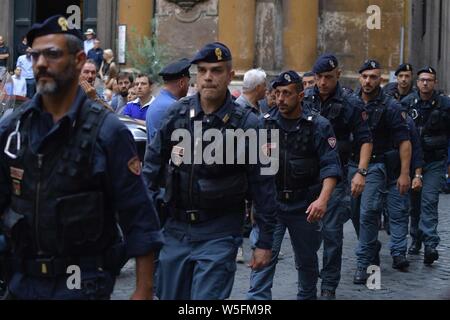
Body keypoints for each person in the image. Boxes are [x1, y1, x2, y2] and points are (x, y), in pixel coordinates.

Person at [0, 15, 163, 300]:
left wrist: (144, 289)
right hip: (22, 281)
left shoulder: (108, 132)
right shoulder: (13, 127)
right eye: (35, 55)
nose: (40, 63)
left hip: (80, 284)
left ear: (78, 60)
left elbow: (138, 214)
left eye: (52, 54)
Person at [142, 42, 277, 300]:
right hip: (175, 230)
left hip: (219, 232)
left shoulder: (251, 124)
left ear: (230, 75)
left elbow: (264, 185)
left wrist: (265, 242)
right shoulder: (176, 115)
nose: (208, 77)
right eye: (202, 70)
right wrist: (144, 226)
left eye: (216, 70)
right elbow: (150, 171)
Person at [249, 70, 341, 300]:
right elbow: (253, 169)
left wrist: (322, 199)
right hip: (272, 207)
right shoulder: (264, 125)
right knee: (262, 263)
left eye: (287, 93)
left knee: (307, 262)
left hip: (305, 207)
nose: (280, 99)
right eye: (277, 93)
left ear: (300, 95)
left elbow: (331, 166)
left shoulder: (319, 126)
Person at [302, 54, 373, 299]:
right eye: (318, 77)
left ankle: (329, 284)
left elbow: (365, 140)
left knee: (332, 231)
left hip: (335, 175)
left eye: (328, 77)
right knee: (308, 233)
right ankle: (309, 279)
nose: (322, 82)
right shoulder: (305, 98)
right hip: (306, 176)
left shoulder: (351, 103)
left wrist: (361, 173)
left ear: (338, 76)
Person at [352, 60, 412, 284]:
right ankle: (370, 247)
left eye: (373, 77)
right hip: (351, 165)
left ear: (381, 80)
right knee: (354, 214)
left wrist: (405, 173)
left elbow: (405, 142)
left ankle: (363, 263)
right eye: (365, 76)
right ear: (360, 78)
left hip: (377, 166)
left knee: (369, 214)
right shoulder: (351, 102)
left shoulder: (391, 107)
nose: (368, 81)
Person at [402, 67, 450, 264]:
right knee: (414, 204)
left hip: (434, 161)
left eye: (429, 80)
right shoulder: (407, 104)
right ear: (417, 82)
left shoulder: (445, 105)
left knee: (429, 201)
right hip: (413, 161)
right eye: (422, 80)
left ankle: (430, 243)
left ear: (434, 83)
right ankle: (416, 239)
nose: (425, 83)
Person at [146, 58, 191, 142]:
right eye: (188, 83)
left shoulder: (159, 101)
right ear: (182, 83)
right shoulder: (173, 107)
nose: (188, 86)